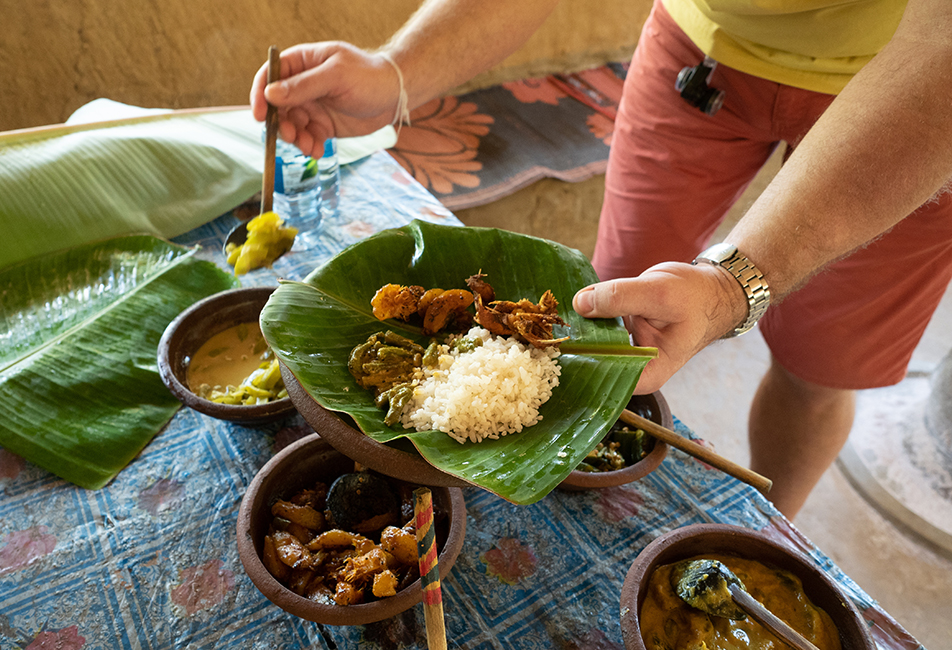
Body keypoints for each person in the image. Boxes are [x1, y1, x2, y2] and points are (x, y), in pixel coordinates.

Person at [250, 0, 952, 519]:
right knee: (612, 320)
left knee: (821, 366)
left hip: (910, 99)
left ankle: (770, 527)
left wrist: (733, 286)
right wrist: (397, 71)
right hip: (701, 53)